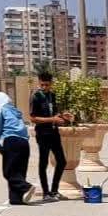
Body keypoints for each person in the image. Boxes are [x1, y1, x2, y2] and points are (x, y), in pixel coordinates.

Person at [0, 92, 38, 206]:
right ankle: (16, 198)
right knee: (19, 171)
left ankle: (26, 187)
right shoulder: (15, 111)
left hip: (11, 141)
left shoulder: (0, 110)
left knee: (8, 172)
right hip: (24, 143)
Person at [29, 71, 72, 201]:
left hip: (54, 133)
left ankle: (54, 190)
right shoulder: (35, 96)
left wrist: (63, 116)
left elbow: (54, 113)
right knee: (43, 163)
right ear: (39, 82)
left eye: (47, 85)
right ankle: (46, 193)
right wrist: (52, 119)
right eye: (42, 84)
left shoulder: (52, 95)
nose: (44, 87)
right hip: (42, 134)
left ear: (51, 84)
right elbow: (33, 118)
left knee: (62, 161)